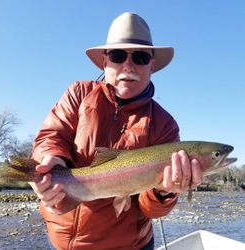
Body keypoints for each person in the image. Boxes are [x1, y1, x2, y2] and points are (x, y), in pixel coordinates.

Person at [29, 12, 203, 250]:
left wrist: (164, 191)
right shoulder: (79, 93)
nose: (128, 66)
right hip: (59, 241)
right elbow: (52, 136)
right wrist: (49, 164)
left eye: (140, 57)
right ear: (105, 62)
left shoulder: (164, 125)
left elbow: (150, 210)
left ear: (152, 65)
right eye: (118, 55)